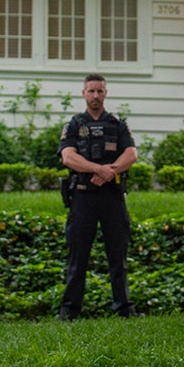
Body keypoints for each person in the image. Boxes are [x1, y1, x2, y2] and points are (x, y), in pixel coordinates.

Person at [57, 73, 140, 319]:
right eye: (91, 91)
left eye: (100, 91)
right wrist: (97, 169)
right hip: (83, 197)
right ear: (83, 93)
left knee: (118, 254)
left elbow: (132, 155)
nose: (95, 95)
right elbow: (68, 157)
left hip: (112, 197)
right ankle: (70, 311)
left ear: (105, 93)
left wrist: (109, 171)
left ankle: (124, 308)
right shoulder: (74, 124)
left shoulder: (117, 124)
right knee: (78, 255)